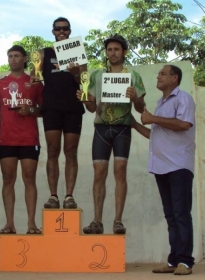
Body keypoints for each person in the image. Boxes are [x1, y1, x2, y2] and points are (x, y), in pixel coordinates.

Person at [77, 34, 146, 234]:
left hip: (122, 128)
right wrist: (83, 99)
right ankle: (97, 221)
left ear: (124, 52)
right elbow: (91, 108)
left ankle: (118, 220)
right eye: (109, 50)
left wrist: (135, 99)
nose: (112, 53)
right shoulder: (97, 75)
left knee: (120, 171)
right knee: (99, 174)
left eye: (116, 49)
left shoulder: (133, 76)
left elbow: (141, 109)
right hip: (101, 128)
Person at [133, 65, 195, 276]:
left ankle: (185, 262)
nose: (158, 77)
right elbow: (155, 135)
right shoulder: (160, 103)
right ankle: (174, 260)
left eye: (162, 74)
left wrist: (152, 119)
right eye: (159, 74)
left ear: (174, 78)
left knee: (180, 214)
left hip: (179, 165)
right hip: (161, 167)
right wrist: (134, 123)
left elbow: (184, 125)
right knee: (170, 215)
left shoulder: (183, 98)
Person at [31, 17, 86, 209]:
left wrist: (75, 73)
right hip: (51, 107)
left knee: (71, 152)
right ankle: (53, 196)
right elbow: (34, 78)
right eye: (58, 29)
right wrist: (35, 67)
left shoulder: (78, 52)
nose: (61, 32)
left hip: (73, 107)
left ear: (70, 31)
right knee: (52, 151)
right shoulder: (44, 53)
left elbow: (84, 82)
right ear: (53, 32)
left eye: (65, 29)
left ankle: (69, 196)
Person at [0, 45, 43, 234]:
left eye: (17, 56)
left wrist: (31, 110)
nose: (13, 59)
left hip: (29, 139)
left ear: (24, 59)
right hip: (6, 140)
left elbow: (44, 110)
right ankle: (9, 223)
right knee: (8, 180)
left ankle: (31, 224)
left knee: (29, 179)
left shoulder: (35, 82)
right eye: (10, 56)